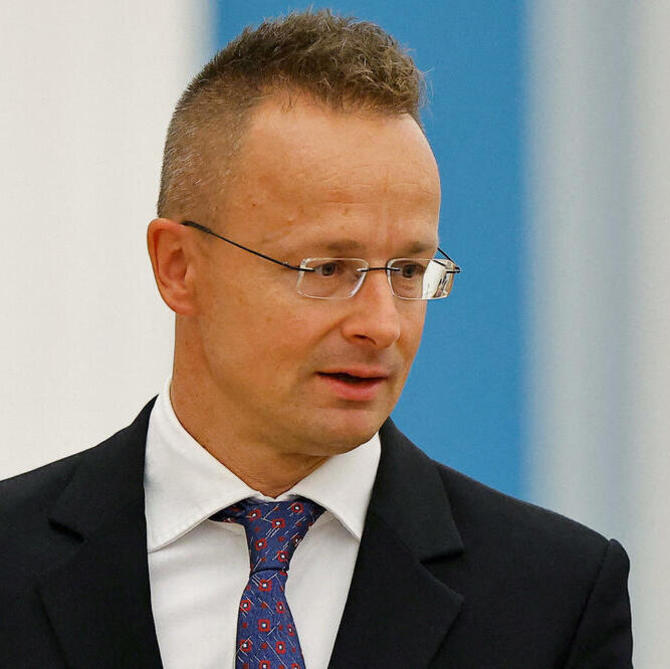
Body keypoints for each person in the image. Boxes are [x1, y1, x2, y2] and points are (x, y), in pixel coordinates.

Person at [0, 10, 632, 669]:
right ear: (179, 266)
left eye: (408, 271)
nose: (382, 325)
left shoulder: (555, 599)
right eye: (327, 269)